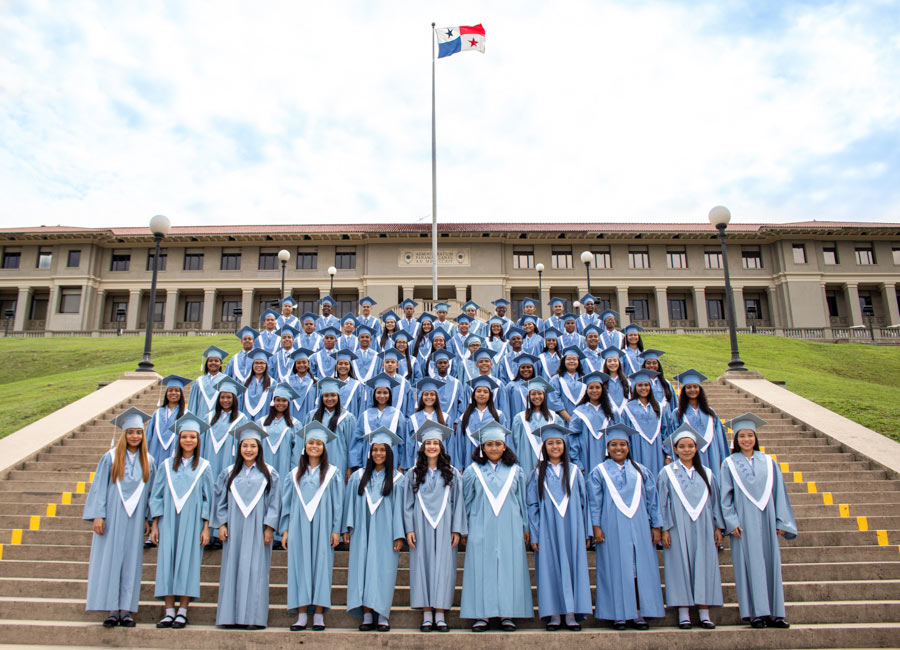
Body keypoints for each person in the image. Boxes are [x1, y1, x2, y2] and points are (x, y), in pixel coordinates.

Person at [720, 412, 797, 629]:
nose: (746, 439)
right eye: (742, 436)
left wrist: (781, 520)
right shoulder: (729, 463)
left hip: (767, 519)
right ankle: (755, 613)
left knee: (771, 564)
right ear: (735, 439)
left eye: (750, 435)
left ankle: (776, 614)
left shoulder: (769, 462)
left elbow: (779, 492)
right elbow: (725, 496)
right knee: (748, 566)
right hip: (743, 523)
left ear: (756, 437)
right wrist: (731, 522)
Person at [587, 423, 664, 630]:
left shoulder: (641, 471)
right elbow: (594, 502)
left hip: (639, 527)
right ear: (607, 448)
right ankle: (618, 614)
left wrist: (656, 526)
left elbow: (652, 500)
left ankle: (639, 613)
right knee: (615, 569)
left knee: (640, 570)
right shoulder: (598, 472)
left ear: (628, 447)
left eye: (622, 444)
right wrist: (595, 526)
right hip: (610, 527)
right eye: (613, 444)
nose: (618, 448)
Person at [83, 407, 155, 628]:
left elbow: (151, 493)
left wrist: (147, 518)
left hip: (135, 519)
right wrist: (98, 515)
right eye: (131, 432)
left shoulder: (149, 461)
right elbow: (99, 488)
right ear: (124, 434)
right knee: (111, 561)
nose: (135, 436)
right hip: (112, 517)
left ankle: (126, 609)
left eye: (138, 432)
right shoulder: (110, 458)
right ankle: (112, 609)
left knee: (131, 562)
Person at [460, 422, 532, 632]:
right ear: (482, 447)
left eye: (498, 444)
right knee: (481, 568)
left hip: (510, 526)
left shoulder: (516, 471)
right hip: (480, 525)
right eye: (489, 444)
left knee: (509, 568)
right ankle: (481, 615)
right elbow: (465, 502)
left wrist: (525, 527)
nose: (493, 448)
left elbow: (522, 502)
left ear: (504, 446)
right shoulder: (472, 471)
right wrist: (464, 528)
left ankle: (507, 614)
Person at [212, 421, 281, 629]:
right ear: (239, 448)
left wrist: (269, 527)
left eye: (252, 446)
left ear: (259, 448)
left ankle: (253, 618)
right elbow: (220, 502)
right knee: (231, 569)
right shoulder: (229, 473)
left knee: (255, 570)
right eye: (245, 446)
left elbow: (274, 503)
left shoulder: (269, 473)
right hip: (234, 529)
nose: (248, 450)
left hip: (258, 530)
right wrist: (222, 524)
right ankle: (229, 617)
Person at [656, 423, 725, 630]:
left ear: (696, 448)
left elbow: (715, 503)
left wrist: (718, 527)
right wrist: (664, 529)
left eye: (690, 446)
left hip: (704, 526)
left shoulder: (708, 474)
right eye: (682, 446)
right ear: (675, 450)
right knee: (679, 566)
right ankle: (683, 612)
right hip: (677, 527)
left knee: (704, 565)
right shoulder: (667, 473)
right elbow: (661, 503)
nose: (687, 450)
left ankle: (704, 612)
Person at [149, 413, 214, 629]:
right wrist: (155, 524)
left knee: (189, 563)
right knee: (166, 562)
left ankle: (183, 611)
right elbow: (157, 496)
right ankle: (169, 611)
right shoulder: (166, 465)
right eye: (184, 436)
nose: (188, 440)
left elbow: (208, 499)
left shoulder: (204, 467)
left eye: (192, 437)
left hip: (193, 523)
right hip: (168, 521)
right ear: (178, 439)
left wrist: (206, 527)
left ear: (198, 440)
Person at [526, 423, 592, 631]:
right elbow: (532, 505)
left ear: (564, 445)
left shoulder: (575, 472)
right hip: (547, 530)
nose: (555, 446)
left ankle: (571, 614)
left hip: (573, 528)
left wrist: (587, 531)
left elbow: (584, 503)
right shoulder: (537, 473)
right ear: (544, 447)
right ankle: (554, 614)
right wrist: (534, 534)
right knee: (549, 568)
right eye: (550, 443)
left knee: (573, 566)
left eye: (558, 443)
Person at [403, 421, 467, 633]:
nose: (432, 446)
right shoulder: (412, 474)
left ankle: (440, 614)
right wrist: (409, 529)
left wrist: (456, 529)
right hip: (420, 525)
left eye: (435, 443)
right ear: (422, 447)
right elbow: (408, 504)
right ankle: (426, 614)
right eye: (428, 443)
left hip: (445, 525)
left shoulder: (452, 473)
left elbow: (458, 503)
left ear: (441, 447)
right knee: (422, 566)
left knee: (444, 567)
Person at [282, 421, 345, 631]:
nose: (314, 446)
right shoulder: (293, 474)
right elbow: (286, 504)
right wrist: (285, 529)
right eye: (311, 442)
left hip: (324, 527)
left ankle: (318, 614)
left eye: (318, 443)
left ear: (324, 447)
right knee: (299, 566)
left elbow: (338, 504)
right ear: (305, 446)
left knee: (322, 567)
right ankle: (301, 614)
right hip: (298, 526)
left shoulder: (333, 473)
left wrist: (336, 529)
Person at [343, 427, 407, 632]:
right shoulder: (358, 476)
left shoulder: (398, 480)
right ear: (369, 452)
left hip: (386, 532)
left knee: (384, 570)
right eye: (375, 449)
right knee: (361, 569)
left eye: (383, 450)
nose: (378, 453)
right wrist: (347, 528)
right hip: (361, 530)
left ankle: (382, 614)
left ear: (389, 453)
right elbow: (349, 504)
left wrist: (399, 534)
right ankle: (367, 614)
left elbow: (400, 509)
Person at [204, 376, 249, 549]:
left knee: (226, 494)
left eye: (229, 397)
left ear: (234, 399)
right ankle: (208, 531)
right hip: (210, 460)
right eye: (222, 397)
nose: (225, 400)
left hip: (229, 463)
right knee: (209, 493)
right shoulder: (209, 418)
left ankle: (221, 532)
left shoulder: (241, 419)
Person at [674, 369, 729, 478]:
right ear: (684, 390)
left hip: (712, 453)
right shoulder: (677, 413)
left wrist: (723, 457)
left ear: (700, 389)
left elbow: (720, 437)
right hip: (689, 455)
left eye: (695, 387)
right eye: (689, 387)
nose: (692, 390)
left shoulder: (711, 413)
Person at [300, 377, 357, 476]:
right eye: (326, 395)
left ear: (338, 396)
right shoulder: (312, 416)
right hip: (315, 461)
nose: (329, 399)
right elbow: (304, 442)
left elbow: (351, 444)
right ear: (321, 397)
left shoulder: (347, 418)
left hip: (340, 462)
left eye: (333, 395)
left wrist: (350, 467)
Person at [621, 369, 672, 478]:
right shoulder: (627, 409)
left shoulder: (659, 407)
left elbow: (665, 432)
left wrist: (668, 454)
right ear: (635, 387)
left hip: (657, 452)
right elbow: (625, 435)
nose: (643, 388)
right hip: (636, 450)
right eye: (640, 385)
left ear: (650, 387)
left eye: (646, 385)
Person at [351, 373, 408, 470]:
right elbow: (357, 441)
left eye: (385, 392)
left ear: (390, 394)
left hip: (392, 459)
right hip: (368, 458)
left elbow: (402, 442)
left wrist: (401, 464)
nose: (382, 396)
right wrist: (356, 463)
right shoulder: (365, 415)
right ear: (374, 394)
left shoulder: (397, 414)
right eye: (379, 392)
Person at [510, 377, 565, 478]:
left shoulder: (554, 418)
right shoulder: (519, 419)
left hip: (549, 461)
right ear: (529, 396)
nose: (536, 396)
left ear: (544, 395)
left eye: (540, 393)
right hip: (526, 461)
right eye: (533, 394)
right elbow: (514, 443)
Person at [568, 370, 616, 473]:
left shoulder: (612, 413)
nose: (594, 390)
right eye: (591, 388)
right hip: (585, 460)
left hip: (609, 461)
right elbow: (572, 439)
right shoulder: (579, 412)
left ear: (602, 389)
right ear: (586, 390)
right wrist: (577, 463)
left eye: (597, 387)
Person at [457, 376, 509, 467]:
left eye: (485, 392)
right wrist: (459, 466)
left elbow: (505, 441)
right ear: (473, 395)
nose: (482, 394)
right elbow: (459, 444)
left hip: (493, 461)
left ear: (490, 396)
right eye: (478, 391)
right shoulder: (464, 417)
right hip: (469, 460)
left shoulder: (499, 415)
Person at [147, 375, 189, 469]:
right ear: (166, 393)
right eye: (170, 390)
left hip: (176, 453)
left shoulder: (186, 414)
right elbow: (148, 436)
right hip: (155, 452)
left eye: (177, 390)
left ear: (181, 393)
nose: (173, 393)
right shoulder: (157, 413)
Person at [406, 377, 448, 468]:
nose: (429, 397)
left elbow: (450, 444)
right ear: (421, 396)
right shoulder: (413, 419)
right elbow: (409, 445)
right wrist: (408, 466)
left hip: (441, 462)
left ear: (436, 397)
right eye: (426, 394)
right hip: (418, 462)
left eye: (432, 394)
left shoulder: (445, 418)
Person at [186, 345, 228, 421]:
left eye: (216, 361)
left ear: (221, 363)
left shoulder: (226, 381)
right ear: (207, 363)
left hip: (219, 421)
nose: (213, 363)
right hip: (200, 420)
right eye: (210, 360)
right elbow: (193, 405)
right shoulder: (199, 381)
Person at [549, 346, 587, 423]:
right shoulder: (556, 379)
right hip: (563, 421)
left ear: (578, 362)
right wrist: (569, 419)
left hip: (583, 420)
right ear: (563, 361)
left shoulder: (585, 379)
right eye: (568, 359)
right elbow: (554, 400)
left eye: (574, 359)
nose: (571, 361)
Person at [640, 349, 678, 417]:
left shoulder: (666, 384)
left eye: (654, 363)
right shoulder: (639, 384)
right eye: (648, 363)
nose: (651, 365)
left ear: (658, 365)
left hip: (667, 418)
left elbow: (674, 404)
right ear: (644, 365)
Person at [332, 349, 366, 419]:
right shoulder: (331, 383)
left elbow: (361, 407)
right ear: (336, 366)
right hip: (332, 421)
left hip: (352, 421)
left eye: (346, 364)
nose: (343, 366)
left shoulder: (357, 386)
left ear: (350, 366)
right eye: (340, 363)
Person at [241, 349, 273, 422]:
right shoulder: (244, 383)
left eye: (262, 363)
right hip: (246, 419)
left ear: (266, 365)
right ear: (252, 365)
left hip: (265, 420)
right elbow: (240, 403)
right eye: (256, 363)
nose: (259, 365)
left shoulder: (272, 383)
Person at [285, 348, 317, 419]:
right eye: (298, 363)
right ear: (295, 365)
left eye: (304, 362)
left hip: (310, 418)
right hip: (291, 418)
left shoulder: (315, 382)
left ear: (308, 364)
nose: (301, 365)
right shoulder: (287, 381)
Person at [600, 347, 629, 413]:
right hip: (608, 413)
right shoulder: (602, 382)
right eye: (609, 361)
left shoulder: (626, 381)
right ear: (605, 363)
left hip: (624, 413)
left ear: (619, 363)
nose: (612, 363)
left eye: (615, 360)